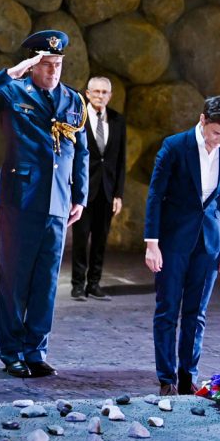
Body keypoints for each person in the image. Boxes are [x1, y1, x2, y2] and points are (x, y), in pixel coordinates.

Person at [0, 30, 89, 378]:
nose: (53, 70)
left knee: (46, 281)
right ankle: (12, 352)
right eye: (46, 64)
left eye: (58, 64)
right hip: (22, 198)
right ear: (33, 64)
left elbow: (81, 151)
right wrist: (12, 71)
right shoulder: (13, 90)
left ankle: (36, 350)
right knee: (15, 280)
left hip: (58, 200)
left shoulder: (73, 100)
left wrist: (80, 196)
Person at [144, 96, 220, 396]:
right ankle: (167, 379)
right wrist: (152, 243)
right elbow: (155, 195)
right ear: (202, 120)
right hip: (173, 241)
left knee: (196, 313)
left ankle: (188, 377)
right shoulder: (174, 146)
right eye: (216, 133)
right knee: (168, 310)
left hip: (210, 242)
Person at [71, 76, 127, 301]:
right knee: (80, 238)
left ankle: (94, 284)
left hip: (107, 190)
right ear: (87, 94)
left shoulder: (118, 120)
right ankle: (77, 285)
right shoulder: (77, 119)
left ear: (110, 96)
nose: (100, 96)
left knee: (101, 239)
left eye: (104, 92)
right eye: (96, 91)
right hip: (83, 191)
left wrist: (118, 194)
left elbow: (120, 160)